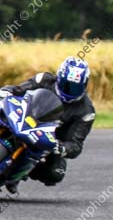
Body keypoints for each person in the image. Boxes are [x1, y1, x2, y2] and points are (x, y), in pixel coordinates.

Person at [1, 57, 95, 193]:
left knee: (55, 173)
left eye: (75, 87)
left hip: (50, 138)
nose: (70, 90)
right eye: (67, 84)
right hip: (26, 117)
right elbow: (19, 89)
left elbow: (76, 145)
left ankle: (19, 175)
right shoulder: (44, 79)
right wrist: (7, 91)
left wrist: (61, 147)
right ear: (59, 77)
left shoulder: (86, 112)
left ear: (85, 84)